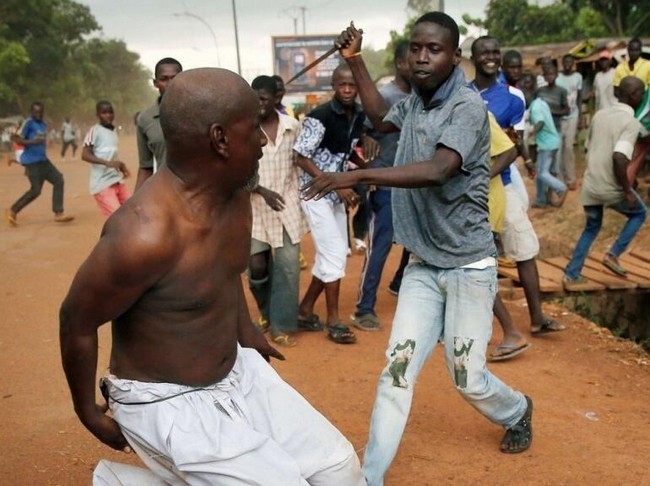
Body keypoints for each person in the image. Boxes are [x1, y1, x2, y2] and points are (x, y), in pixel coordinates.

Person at [60, 67, 365, 485]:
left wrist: (245, 330)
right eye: (253, 127)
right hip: (166, 401)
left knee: (339, 471)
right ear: (220, 139)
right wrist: (88, 413)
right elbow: (75, 322)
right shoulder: (143, 236)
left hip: (236, 374)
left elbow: (225, 271)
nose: (263, 138)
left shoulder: (235, 195)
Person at [304, 14, 534, 484]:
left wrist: (357, 174)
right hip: (424, 267)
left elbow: (438, 169)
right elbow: (377, 118)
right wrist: (355, 60)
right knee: (397, 371)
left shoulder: (466, 108)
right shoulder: (413, 105)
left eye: (434, 49)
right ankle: (370, 477)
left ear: (455, 57)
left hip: (469, 265)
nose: (422, 57)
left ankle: (516, 410)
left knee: (467, 376)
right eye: (416, 49)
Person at [470, 36, 563, 359]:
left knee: (524, 247)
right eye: (486, 53)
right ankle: (498, 329)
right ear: (473, 58)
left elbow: (514, 140)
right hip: (467, 188)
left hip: (502, 182)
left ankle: (536, 318)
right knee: (475, 257)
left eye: (496, 52)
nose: (492, 58)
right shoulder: (461, 94)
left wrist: (528, 162)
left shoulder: (514, 97)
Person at [293, 63, 366, 345]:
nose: (347, 90)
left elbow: (350, 150)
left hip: (335, 191)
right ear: (333, 86)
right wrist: (337, 183)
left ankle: (305, 309)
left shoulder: (358, 114)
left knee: (331, 254)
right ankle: (334, 320)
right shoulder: (320, 116)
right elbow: (301, 157)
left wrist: (355, 174)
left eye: (352, 86)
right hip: (314, 191)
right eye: (342, 85)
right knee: (335, 251)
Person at [564, 76, 647, 289]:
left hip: (590, 185)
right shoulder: (631, 123)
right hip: (610, 187)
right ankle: (613, 254)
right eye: (641, 93)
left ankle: (572, 274)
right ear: (633, 96)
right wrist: (627, 190)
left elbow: (589, 147)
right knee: (639, 213)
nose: (642, 96)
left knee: (591, 227)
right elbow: (620, 157)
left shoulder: (599, 115)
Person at [350, 40, 411, 332]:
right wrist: (365, 137)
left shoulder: (424, 98)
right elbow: (357, 124)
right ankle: (364, 308)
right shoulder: (385, 95)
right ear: (401, 64)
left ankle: (400, 283)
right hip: (385, 181)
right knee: (380, 246)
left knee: (416, 242)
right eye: (415, 59)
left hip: (415, 182)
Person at [247, 75, 307, 347]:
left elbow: (301, 162)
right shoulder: (244, 130)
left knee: (288, 268)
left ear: (276, 100)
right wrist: (261, 190)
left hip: (287, 206)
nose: (258, 104)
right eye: (254, 99)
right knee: (256, 267)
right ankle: (266, 312)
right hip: (254, 208)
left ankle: (281, 325)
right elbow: (237, 171)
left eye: (263, 99)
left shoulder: (292, 127)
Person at [5, 102, 74, 226]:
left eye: (41, 112)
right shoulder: (28, 123)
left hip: (43, 161)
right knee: (36, 190)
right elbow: (15, 138)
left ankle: (58, 213)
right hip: (32, 163)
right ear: (32, 112)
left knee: (59, 180)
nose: (39, 114)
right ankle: (13, 210)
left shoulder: (43, 124)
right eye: (36, 112)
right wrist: (32, 141)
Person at [134, 57, 183, 191]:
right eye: (164, 79)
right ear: (156, 83)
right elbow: (145, 167)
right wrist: (134, 203)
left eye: (175, 78)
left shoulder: (201, 112)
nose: (170, 83)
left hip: (202, 196)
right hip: (166, 194)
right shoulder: (146, 119)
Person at [521, 74, 567, 208]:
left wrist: (531, 133)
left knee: (542, 172)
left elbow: (540, 122)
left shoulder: (535, 107)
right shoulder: (540, 103)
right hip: (551, 142)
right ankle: (541, 199)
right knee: (541, 172)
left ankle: (561, 188)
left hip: (547, 144)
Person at [81, 101, 131, 217]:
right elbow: (85, 154)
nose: (108, 115)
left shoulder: (113, 132)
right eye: (104, 112)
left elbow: (111, 156)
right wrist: (106, 163)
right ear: (98, 115)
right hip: (102, 184)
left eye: (110, 112)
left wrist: (121, 166)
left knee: (133, 212)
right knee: (117, 219)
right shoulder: (95, 131)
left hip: (116, 180)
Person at [556, 54, 583, 190]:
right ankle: (560, 179)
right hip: (560, 117)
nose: (567, 64)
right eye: (565, 61)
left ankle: (571, 178)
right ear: (562, 62)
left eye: (570, 62)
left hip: (573, 115)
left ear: (573, 63)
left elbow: (579, 97)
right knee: (559, 148)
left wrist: (581, 117)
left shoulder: (578, 77)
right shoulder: (557, 78)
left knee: (569, 147)